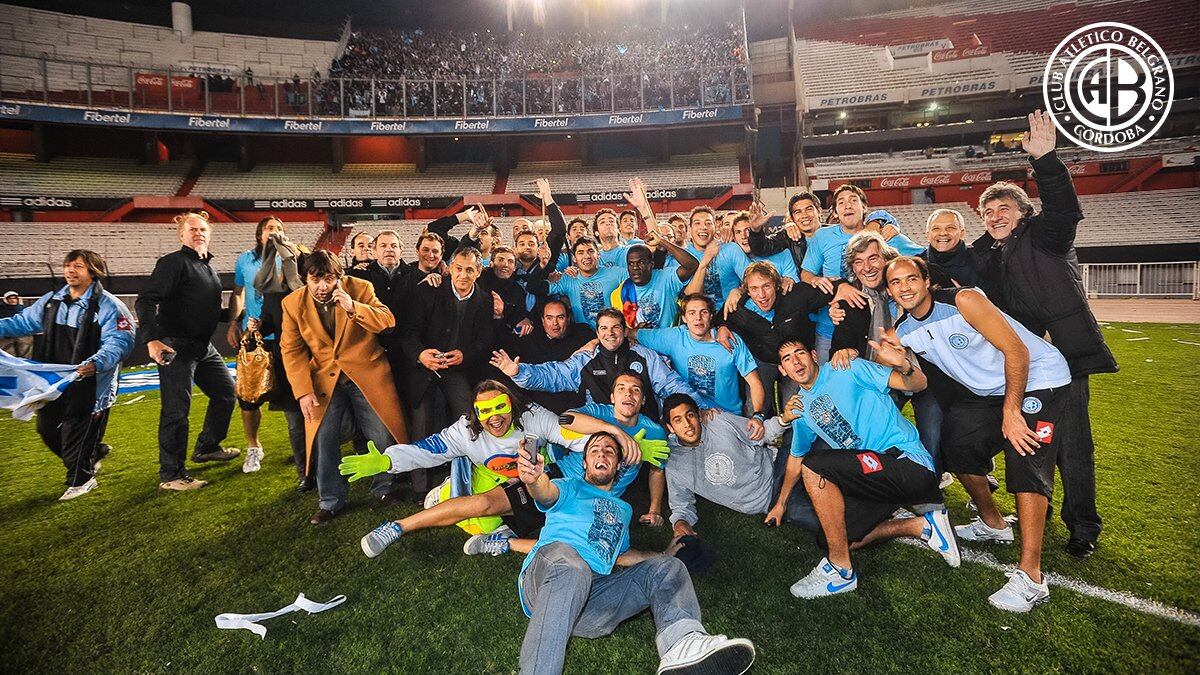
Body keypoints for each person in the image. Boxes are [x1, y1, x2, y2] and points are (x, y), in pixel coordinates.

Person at [888, 256, 1073, 611]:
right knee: (957, 446)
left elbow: (1016, 349)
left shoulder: (965, 300)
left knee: (1024, 457)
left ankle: (1031, 579)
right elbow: (919, 377)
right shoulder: (905, 330)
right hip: (990, 391)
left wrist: (1012, 411)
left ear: (927, 281)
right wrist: (900, 363)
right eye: (895, 283)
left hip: (1039, 379)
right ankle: (994, 523)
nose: (905, 287)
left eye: (911, 278)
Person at [970, 111, 1116, 559]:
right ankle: (1040, 507)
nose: (995, 216)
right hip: (1025, 365)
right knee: (1033, 439)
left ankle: (1083, 525)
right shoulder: (986, 254)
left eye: (1004, 209)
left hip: (1065, 359)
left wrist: (1047, 161)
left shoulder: (1045, 236)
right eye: (988, 211)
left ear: (1023, 212)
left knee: (1072, 445)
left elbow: (1066, 209)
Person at [514, 431, 756, 675]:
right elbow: (545, 493)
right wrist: (534, 480)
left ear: (618, 465)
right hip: (548, 578)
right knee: (572, 566)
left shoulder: (623, 510)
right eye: (595, 450)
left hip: (590, 603)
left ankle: (682, 644)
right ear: (585, 462)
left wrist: (662, 555)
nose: (602, 453)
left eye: (609, 451)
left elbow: (622, 554)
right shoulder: (569, 486)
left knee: (669, 567)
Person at [343, 379, 661, 558]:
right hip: (508, 477)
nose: (494, 418)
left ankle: (502, 536)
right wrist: (387, 460)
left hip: (540, 478)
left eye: (500, 408)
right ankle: (397, 526)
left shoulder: (535, 417)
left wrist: (623, 446)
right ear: (476, 414)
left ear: (511, 404)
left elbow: (575, 436)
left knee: (562, 535)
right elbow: (428, 451)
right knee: (482, 505)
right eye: (485, 412)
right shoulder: (464, 431)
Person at [769, 338, 959, 599]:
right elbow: (795, 457)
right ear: (782, 371)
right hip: (876, 479)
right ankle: (923, 527)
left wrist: (904, 365)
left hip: (908, 464)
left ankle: (840, 571)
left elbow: (917, 384)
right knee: (833, 539)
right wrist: (781, 503)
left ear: (814, 355)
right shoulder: (800, 408)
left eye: (799, 353)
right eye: (787, 358)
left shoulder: (847, 368)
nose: (796, 361)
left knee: (816, 467)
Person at [279, 250, 409, 524]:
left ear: (340, 277)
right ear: (305, 279)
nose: (322, 286)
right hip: (324, 380)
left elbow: (388, 322)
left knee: (381, 434)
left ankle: (384, 487)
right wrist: (303, 391)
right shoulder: (292, 303)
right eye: (315, 280)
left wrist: (353, 307)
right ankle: (330, 500)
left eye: (329, 279)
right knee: (323, 437)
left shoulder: (361, 288)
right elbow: (291, 350)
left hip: (367, 372)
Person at [0, 250, 135, 500]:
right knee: (46, 428)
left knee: (77, 432)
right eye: (68, 266)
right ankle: (93, 455)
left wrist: (95, 363)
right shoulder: (53, 301)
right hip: (55, 381)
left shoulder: (108, 305)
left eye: (78, 266)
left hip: (90, 381)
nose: (71, 271)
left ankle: (81, 479)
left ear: (93, 271)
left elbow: (120, 340)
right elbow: (22, 322)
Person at [136, 211, 240, 491]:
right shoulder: (173, 263)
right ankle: (171, 475)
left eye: (203, 229)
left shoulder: (208, 266)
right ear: (181, 235)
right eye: (192, 229)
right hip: (175, 346)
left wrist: (239, 316)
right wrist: (153, 340)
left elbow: (201, 309)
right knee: (176, 411)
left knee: (226, 394)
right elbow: (145, 301)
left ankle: (207, 447)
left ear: (210, 233)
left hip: (203, 347)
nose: (198, 233)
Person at [830, 232, 945, 471]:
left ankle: (930, 489)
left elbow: (939, 271)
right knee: (879, 441)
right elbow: (840, 343)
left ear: (886, 259)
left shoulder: (906, 287)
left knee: (932, 436)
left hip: (924, 374)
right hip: (884, 382)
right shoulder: (849, 301)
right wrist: (843, 350)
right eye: (859, 262)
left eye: (873, 258)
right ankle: (891, 490)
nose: (867, 267)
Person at [493, 308, 714, 422]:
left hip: (642, 426)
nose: (610, 334)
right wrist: (519, 372)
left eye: (616, 328)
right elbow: (554, 375)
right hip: (602, 429)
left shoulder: (644, 355)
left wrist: (700, 406)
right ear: (597, 333)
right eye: (604, 329)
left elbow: (671, 384)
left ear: (625, 331)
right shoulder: (586, 358)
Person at [399, 247, 499, 496]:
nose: (463, 275)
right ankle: (420, 488)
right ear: (450, 268)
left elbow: (484, 341)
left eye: (470, 270)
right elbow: (408, 332)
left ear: (478, 272)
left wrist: (465, 355)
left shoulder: (484, 300)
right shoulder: (428, 290)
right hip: (424, 368)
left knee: (469, 419)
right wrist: (421, 355)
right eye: (458, 268)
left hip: (456, 369)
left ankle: (470, 478)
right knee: (421, 424)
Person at [661, 393, 818, 541]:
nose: (687, 425)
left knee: (823, 451)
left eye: (690, 415)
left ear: (699, 416)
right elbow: (681, 505)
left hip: (779, 464)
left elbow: (760, 432)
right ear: (670, 428)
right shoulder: (674, 464)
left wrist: (784, 419)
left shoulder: (717, 421)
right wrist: (680, 523)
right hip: (769, 499)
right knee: (824, 518)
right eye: (678, 420)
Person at [801, 185, 923, 363]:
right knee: (833, 378)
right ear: (835, 212)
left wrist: (889, 223)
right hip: (830, 323)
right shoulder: (823, 236)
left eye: (853, 200)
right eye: (841, 202)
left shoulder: (884, 235)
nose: (847, 205)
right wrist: (820, 282)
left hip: (882, 323)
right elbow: (806, 273)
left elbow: (922, 260)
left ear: (864, 207)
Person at [722, 261, 847, 417]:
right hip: (764, 361)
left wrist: (842, 287)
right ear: (747, 291)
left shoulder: (795, 294)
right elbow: (719, 318)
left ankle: (797, 437)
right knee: (754, 407)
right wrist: (722, 327)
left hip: (796, 359)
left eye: (766, 286)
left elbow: (833, 288)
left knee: (797, 407)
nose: (761, 295)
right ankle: (762, 438)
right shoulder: (738, 306)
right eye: (754, 289)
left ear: (776, 285)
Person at [634, 293, 765, 420]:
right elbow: (634, 334)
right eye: (692, 313)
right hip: (691, 414)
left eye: (704, 312)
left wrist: (758, 414)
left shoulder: (730, 341)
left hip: (726, 415)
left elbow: (754, 381)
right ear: (684, 318)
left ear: (711, 316)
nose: (698, 318)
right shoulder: (675, 337)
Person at [251, 230, 314, 491]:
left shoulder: (315, 290)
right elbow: (270, 322)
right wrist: (258, 326)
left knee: (321, 421)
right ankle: (305, 473)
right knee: (296, 423)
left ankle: (322, 467)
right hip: (288, 363)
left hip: (318, 361)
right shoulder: (275, 294)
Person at [228, 216, 287, 473]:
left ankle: (301, 445)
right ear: (259, 233)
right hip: (254, 336)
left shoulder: (289, 257)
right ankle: (253, 447)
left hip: (284, 336)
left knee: (291, 396)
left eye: (279, 229)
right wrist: (233, 322)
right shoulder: (245, 260)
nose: (274, 232)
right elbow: (238, 293)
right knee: (248, 396)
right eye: (270, 228)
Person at [611, 180, 699, 329]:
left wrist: (663, 241)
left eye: (640, 262)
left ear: (651, 264)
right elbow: (619, 328)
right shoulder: (620, 293)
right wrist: (635, 331)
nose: (635, 268)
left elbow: (692, 265)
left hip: (667, 346)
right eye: (631, 264)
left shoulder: (666, 278)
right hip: (639, 348)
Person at [491, 298, 593, 413]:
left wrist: (594, 342)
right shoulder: (529, 340)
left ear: (568, 319)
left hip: (582, 403)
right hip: (544, 408)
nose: (555, 323)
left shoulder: (583, 333)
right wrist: (498, 317)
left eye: (560, 317)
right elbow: (500, 344)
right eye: (549, 318)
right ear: (542, 320)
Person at [533, 237, 626, 329]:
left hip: (611, 335)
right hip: (584, 337)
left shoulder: (616, 274)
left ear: (598, 254)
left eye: (591, 251)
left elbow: (639, 279)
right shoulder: (568, 279)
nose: (587, 256)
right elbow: (534, 287)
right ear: (574, 258)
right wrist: (542, 265)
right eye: (581, 253)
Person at [746, 191, 824, 270]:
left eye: (809, 209)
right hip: (803, 282)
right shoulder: (787, 236)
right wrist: (756, 230)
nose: (804, 215)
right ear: (792, 217)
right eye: (798, 212)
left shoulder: (833, 232)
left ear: (819, 211)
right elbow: (762, 249)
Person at [921, 208, 980, 288]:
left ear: (962, 233)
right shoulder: (917, 264)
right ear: (927, 235)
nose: (943, 233)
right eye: (936, 228)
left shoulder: (982, 260)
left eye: (950, 228)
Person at [0, 291, 34, 358]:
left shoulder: (24, 309)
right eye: (10, 298)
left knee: (25, 355)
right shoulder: (1, 309)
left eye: (15, 298)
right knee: (9, 356)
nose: (13, 300)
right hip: (6, 336)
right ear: (5, 299)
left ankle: (25, 368)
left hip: (23, 335)